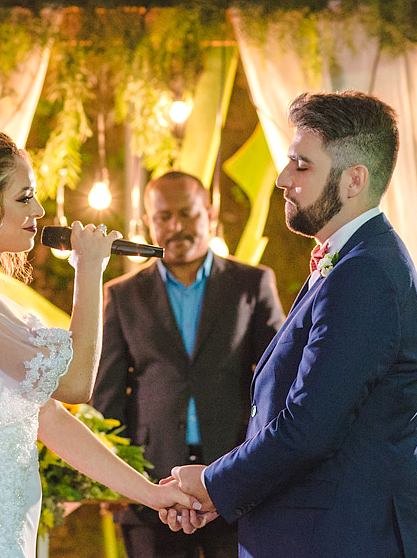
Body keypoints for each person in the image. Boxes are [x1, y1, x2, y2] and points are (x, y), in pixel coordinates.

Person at [0, 115, 198, 558]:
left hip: (6, 536)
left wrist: (150, 492)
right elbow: (76, 385)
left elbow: (49, 417)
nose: (38, 212)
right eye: (24, 197)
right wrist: (89, 273)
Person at [163, 91, 417, 558]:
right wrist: (225, 494)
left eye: (301, 166)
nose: (283, 179)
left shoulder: (365, 273)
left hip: (342, 539)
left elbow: (308, 427)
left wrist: (213, 482)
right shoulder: (349, 260)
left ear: (354, 180)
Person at [92, 171, 284, 558]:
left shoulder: (252, 284)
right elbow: (107, 398)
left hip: (234, 479)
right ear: (149, 222)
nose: (176, 226)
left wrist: (264, 468)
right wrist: (113, 480)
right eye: (164, 217)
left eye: (188, 214)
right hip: (150, 483)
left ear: (209, 214)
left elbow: (275, 383)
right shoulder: (121, 296)